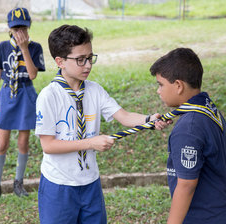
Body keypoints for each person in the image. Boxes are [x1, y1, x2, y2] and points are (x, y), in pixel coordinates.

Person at [35, 24, 170, 224]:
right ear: (60, 61)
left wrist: (149, 120)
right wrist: (90, 143)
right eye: (80, 60)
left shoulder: (95, 90)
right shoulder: (49, 96)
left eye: (90, 58)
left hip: (90, 184)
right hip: (59, 186)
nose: (88, 65)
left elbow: (123, 116)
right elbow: (49, 145)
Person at [149, 47, 226, 224]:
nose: (158, 91)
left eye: (160, 85)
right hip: (222, 209)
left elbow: (186, 185)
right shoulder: (209, 108)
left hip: (204, 216)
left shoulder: (188, 128)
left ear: (178, 86)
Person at [0, 7, 45, 205]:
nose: (19, 32)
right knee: (2, 143)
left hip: (26, 95)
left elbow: (33, 74)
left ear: (29, 27)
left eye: (23, 28)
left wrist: (24, 48)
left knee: (23, 143)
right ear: (9, 28)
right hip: (7, 95)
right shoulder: (2, 47)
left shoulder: (35, 48)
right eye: (15, 28)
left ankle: (18, 182)